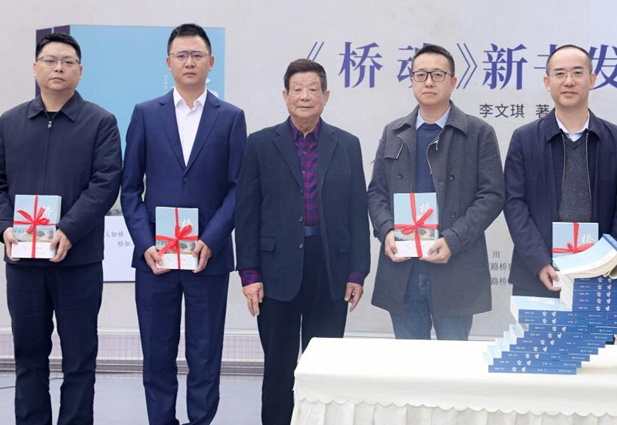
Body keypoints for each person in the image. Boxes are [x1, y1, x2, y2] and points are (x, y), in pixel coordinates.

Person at [0, 31, 122, 425]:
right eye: (50, 60)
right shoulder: (10, 122)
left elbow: (106, 182)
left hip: (79, 262)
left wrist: (69, 230)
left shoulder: (100, 122)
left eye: (68, 62)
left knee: (79, 359)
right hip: (23, 262)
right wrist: (4, 228)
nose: (59, 68)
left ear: (80, 71)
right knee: (28, 357)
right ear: (35, 68)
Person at [121, 23, 246, 425]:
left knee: (205, 354)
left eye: (197, 55)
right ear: (169, 62)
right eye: (182, 55)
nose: (189, 62)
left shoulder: (231, 118)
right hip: (156, 258)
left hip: (208, 257)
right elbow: (129, 189)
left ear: (211, 62)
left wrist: (212, 239)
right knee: (157, 353)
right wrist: (145, 244)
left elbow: (238, 188)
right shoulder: (145, 114)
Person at [235, 59, 370, 425]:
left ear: (326, 96)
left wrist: (357, 271)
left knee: (323, 369)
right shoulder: (260, 144)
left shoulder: (347, 144)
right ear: (285, 96)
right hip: (275, 270)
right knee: (278, 368)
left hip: (329, 268)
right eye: (297, 89)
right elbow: (246, 213)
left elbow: (357, 210)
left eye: (313, 89)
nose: (305, 96)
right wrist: (249, 274)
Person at [368, 44, 505, 340]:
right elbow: (376, 192)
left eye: (437, 75)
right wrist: (386, 230)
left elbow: (492, 195)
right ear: (412, 80)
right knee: (409, 360)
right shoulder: (394, 131)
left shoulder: (478, 132)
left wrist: (454, 240)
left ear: (453, 82)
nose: (428, 82)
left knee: (452, 361)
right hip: (403, 270)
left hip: (455, 266)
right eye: (421, 75)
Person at [504, 44, 617, 298]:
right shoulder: (524, 139)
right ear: (547, 82)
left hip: (600, 278)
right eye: (560, 74)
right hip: (536, 275)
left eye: (577, 73)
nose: (569, 81)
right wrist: (539, 262)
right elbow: (514, 204)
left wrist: (608, 262)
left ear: (592, 80)